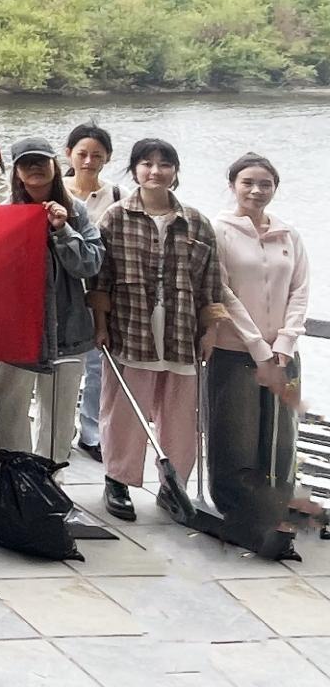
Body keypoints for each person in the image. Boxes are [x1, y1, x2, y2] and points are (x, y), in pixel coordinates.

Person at [88, 137, 223, 522]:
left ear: (175, 171)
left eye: (164, 164)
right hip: (130, 328)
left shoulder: (196, 221)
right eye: (146, 163)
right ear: (134, 170)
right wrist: (100, 326)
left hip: (181, 330)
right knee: (124, 410)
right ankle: (118, 480)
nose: (155, 171)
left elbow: (211, 283)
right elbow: (100, 279)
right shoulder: (115, 217)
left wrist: (211, 332)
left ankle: (172, 485)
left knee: (180, 415)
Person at [0, 137, 104, 466]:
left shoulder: (76, 211)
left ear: (55, 165)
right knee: (9, 412)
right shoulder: (4, 214)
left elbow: (90, 264)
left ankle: (51, 476)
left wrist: (63, 229)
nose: (35, 168)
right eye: (27, 163)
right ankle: (10, 476)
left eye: (42, 161)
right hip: (17, 334)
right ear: (17, 172)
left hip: (68, 330)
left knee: (59, 417)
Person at [208, 153, 308, 528]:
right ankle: (236, 507)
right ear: (233, 185)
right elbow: (222, 291)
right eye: (248, 182)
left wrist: (285, 341)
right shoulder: (218, 230)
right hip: (235, 351)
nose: (256, 190)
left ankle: (276, 503)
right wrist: (257, 345)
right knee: (236, 434)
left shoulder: (288, 234)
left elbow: (300, 290)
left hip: (283, 354)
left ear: (275, 188)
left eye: (265, 184)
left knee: (282, 436)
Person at [65, 123, 119, 462]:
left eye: (96, 155)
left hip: (100, 291)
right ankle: (59, 430)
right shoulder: (55, 191)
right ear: (68, 154)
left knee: (98, 365)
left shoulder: (117, 195)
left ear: (107, 158)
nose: (88, 161)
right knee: (64, 363)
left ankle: (91, 432)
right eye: (82, 154)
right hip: (63, 291)